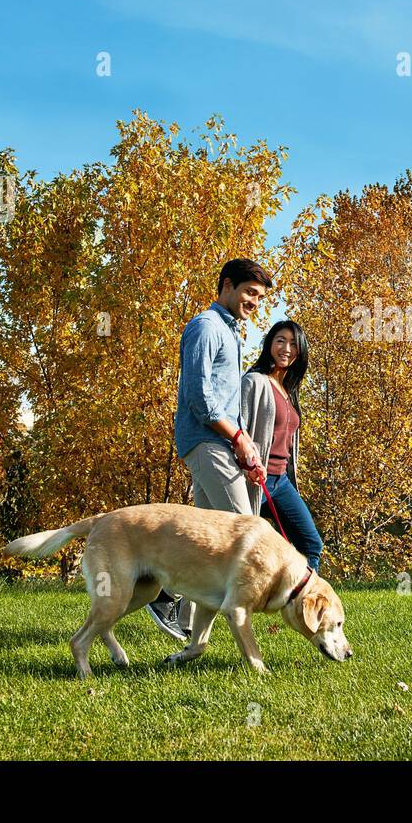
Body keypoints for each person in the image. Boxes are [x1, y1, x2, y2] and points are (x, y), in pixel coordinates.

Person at [146, 257, 272, 641]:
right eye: (249, 292)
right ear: (227, 285)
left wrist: (243, 448)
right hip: (205, 441)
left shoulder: (231, 332)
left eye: (260, 297)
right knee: (247, 534)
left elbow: (224, 401)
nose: (254, 301)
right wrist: (238, 439)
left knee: (209, 542)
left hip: (221, 444)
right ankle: (167, 594)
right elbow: (199, 398)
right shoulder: (206, 326)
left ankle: (182, 619)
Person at [239, 321, 323, 571]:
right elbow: (238, 428)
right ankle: (170, 590)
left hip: (280, 482)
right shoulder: (253, 382)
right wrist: (246, 466)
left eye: (294, 344)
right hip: (252, 480)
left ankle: (303, 604)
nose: (286, 348)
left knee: (310, 544)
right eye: (280, 341)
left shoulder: (289, 391)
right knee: (234, 550)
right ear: (269, 344)